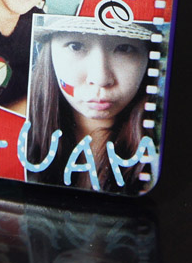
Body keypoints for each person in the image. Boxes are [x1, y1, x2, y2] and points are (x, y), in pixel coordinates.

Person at [26, 16, 157, 193]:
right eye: (76, 46)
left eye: (124, 48)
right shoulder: (16, 135)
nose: (100, 78)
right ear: (49, 54)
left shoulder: (159, 158)